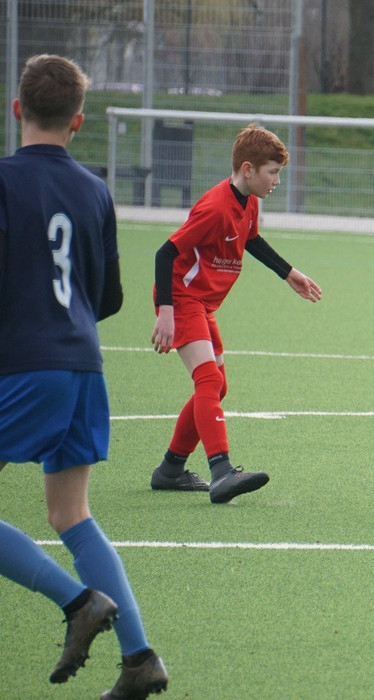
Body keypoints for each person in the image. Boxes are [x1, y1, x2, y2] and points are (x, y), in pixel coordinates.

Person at [0, 54, 169, 697]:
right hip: (83, 367)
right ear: (78, 120)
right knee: (71, 514)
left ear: (17, 109)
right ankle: (139, 660)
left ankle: (77, 603)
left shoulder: (4, 181)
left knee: (69, 515)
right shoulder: (95, 190)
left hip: (26, 366)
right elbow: (110, 296)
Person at [149, 124, 322, 504]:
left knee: (218, 386)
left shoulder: (250, 202)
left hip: (202, 303)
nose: (277, 181)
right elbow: (166, 252)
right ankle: (221, 470)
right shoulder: (214, 208)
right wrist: (166, 312)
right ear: (248, 169)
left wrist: (288, 273)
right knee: (208, 379)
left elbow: (251, 239)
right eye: (272, 172)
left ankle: (171, 469)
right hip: (182, 297)